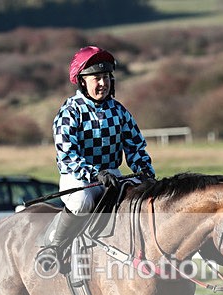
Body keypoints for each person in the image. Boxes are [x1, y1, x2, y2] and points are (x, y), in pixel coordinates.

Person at [44, 45, 155, 270]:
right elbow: (67, 155)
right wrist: (94, 173)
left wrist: (145, 170)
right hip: (78, 178)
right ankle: (54, 248)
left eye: (106, 77)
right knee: (83, 202)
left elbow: (135, 145)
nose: (103, 83)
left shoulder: (119, 111)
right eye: (96, 78)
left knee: (142, 197)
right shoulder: (70, 111)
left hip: (112, 175)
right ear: (82, 81)